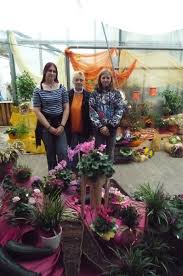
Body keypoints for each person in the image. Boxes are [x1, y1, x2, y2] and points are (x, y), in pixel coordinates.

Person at [33, 62, 69, 171]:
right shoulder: (38, 90)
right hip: (45, 126)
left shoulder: (62, 88)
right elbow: (37, 110)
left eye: (54, 71)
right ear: (45, 72)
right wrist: (49, 127)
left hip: (59, 124)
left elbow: (66, 107)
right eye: (50, 70)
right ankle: (53, 181)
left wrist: (62, 126)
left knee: (63, 152)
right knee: (51, 154)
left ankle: (64, 179)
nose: (52, 73)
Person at [89, 69, 124, 161]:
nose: (105, 80)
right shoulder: (94, 94)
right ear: (100, 79)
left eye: (107, 78)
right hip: (99, 129)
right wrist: (101, 126)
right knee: (99, 152)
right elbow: (92, 110)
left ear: (111, 79)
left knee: (110, 151)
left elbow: (120, 109)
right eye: (103, 77)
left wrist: (109, 126)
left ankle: (108, 175)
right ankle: (99, 174)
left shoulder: (116, 93)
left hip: (112, 128)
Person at [65, 71, 91, 148]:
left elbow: (91, 114)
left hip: (84, 131)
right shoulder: (67, 95)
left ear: (84, 81)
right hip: (71, 132)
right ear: (73, 81)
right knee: (73, 156)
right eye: (76, 80)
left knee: (85, 156)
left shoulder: (89, 96)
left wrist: (91, 133)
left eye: (81, 80)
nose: (79, 82)